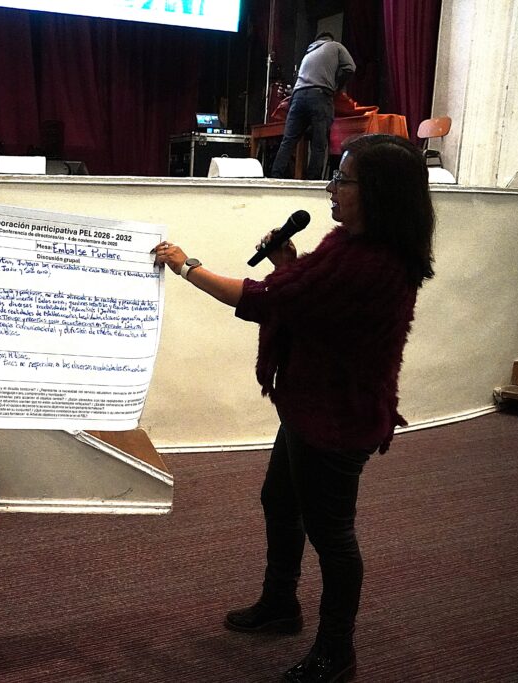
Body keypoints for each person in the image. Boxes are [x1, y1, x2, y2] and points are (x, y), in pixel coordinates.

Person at [153, 134, 435, 682]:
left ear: (378, 192)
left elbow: (268, 301)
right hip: (311, 403)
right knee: (280, 501)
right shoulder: (352, 245)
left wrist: (188, 267)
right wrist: (289, 262)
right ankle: (281, 603)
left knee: (333, 536)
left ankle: (336, 653)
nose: (331, 188)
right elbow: (313, 300)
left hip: (338, 418)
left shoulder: (371, 262)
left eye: (343, 179)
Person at [270, 32, 356, 180]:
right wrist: (337, 85)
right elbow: (350, 68)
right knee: (318, 143)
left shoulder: (308, 54)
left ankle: (275, 177)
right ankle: (312, 181)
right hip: (319, 96)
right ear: (330, 39)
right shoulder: (335, 46)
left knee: (288, 141)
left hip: (297, 98)